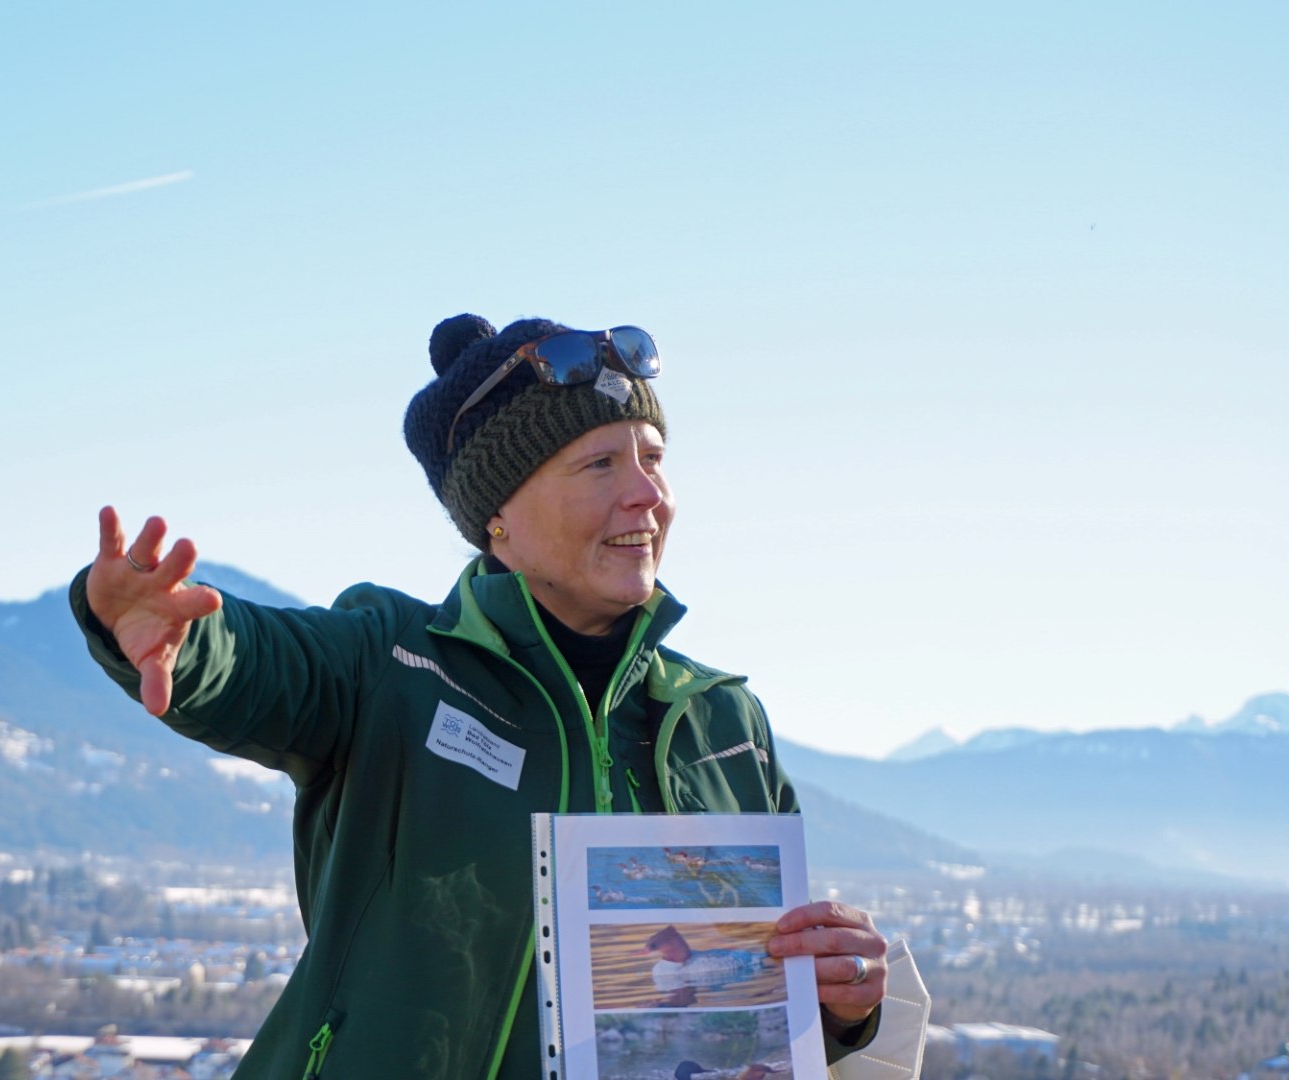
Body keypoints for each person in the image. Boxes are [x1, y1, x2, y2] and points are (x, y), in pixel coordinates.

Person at [72, 314, 892, 1078]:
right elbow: (259, 661)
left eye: (653, 459)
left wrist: (838, 1002)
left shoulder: (720, 720)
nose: (647, 494)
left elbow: (754, 1017)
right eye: (601, 464)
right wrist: (178, 638)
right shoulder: (391, 664)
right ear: (498, 514)